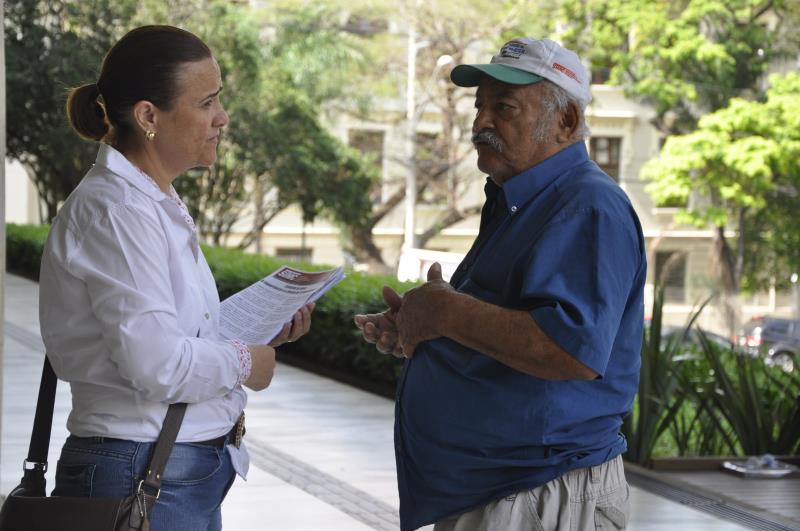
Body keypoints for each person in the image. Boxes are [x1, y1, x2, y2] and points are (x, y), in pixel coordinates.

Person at [355, 37, 645, 531]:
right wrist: (424, 327)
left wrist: (447, 313)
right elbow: (506, 326)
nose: (481, 123)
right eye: (480, 105)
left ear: (566, 122)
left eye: (504, 107)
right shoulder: (518, 199)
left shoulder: (586, 205)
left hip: (544, 492)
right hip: (502, 490)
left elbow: (568, 349)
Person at [38, 25, 314, 531]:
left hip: (164, 470)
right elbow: (156, 363)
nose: (222, 119)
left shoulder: (149, 200)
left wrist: (254, 331)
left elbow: (167, 335)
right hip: (141, 471)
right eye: (206, 103)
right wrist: (243, 361)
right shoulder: (117, 210)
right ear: (148, 116)